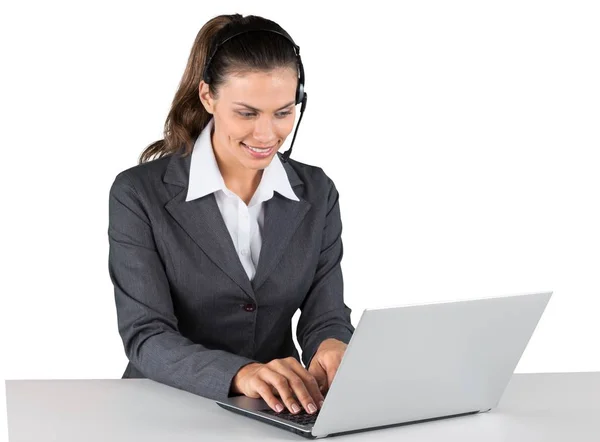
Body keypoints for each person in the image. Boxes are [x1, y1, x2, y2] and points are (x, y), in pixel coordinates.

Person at [107, 13, 354, 417]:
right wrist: (242, 372)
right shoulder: (138, 193)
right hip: (164, 408)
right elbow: (146, 336)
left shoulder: (317, 192)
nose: (266, 134)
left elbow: (325, 314)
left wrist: (331, 344)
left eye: (283, 112)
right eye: (247, 113)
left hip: (279, 409)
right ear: (208, 97)